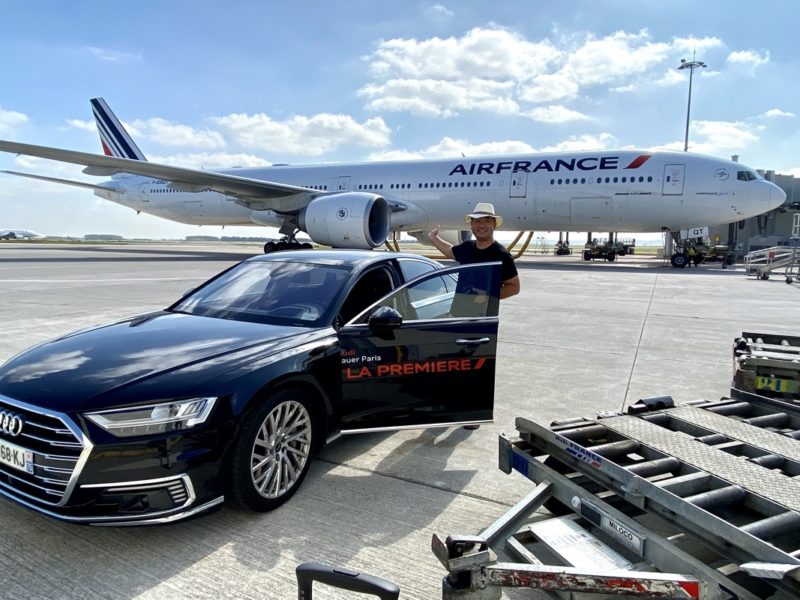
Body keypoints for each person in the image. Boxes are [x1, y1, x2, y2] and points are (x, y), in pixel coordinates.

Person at [427, 202, 520, 430]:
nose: (481, 225)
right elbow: (450, 251)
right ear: (472, 225)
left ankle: (473, 415)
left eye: (486, 221)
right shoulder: (467, 248)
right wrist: (433, 238)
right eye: (477, 221)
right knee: (456, 365)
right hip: (458, 315)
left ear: (493, 225)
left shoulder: (501, 255)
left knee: (477, 370)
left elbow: (513, 287)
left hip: (482, 320)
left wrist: (488, 295)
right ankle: (453, 408)